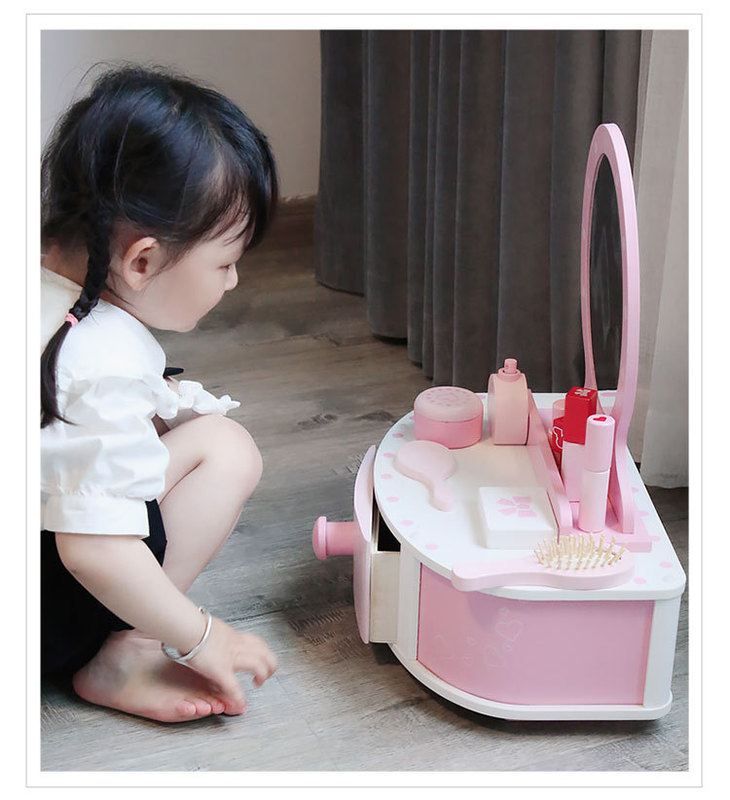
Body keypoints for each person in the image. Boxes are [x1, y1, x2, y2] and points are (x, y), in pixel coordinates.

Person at [40, 64, 279, 723]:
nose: (232, 281)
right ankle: (127, 652)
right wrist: (203, 635)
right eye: (226, 262)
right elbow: (92, 550)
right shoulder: (99, 357)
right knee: (225, 450)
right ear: (142, 261)